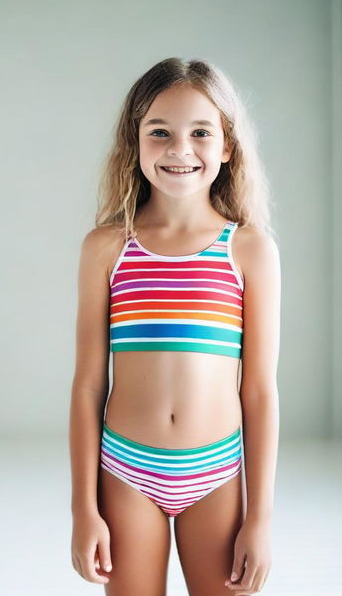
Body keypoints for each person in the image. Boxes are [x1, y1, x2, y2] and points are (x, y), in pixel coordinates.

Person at [69, 56, 281, 595]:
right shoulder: (108, 248)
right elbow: (90, 384)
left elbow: (258, 390)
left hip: (215, 473)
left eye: (201, 132)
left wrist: (259, 519)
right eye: (159, 132)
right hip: (126, 471)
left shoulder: (249, 250)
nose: (179, 149)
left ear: (227, 146)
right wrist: (83, 509)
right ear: (134, 142)